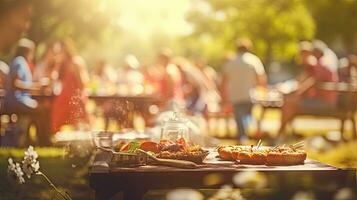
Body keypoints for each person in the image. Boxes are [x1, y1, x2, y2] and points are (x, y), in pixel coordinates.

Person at [278, 41, 339, 137]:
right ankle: (286, 132)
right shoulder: (319, 64)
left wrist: (297, 92)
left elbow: (311, 82)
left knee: (289, 102)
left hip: (324, 102)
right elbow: (305, 80)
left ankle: (281, 133)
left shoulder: (318, 64)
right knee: (290, 101)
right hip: (322, 99)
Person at [4, 39, 51, 145]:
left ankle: (30, 139)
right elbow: (15, 84)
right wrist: (38, 86)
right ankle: (43, 142)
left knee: (38, 109)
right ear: (27, 51)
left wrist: (38, 86)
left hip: (18, 100)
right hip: (16, 101)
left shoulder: (18, 61)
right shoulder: (20, 61)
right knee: (42, 110)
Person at [221, 38, 267, 141]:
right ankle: (247, 135)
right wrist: (263, 90)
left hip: (235, 95)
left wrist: (224, 96)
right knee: (248, 114)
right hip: (250, 94)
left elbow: (224, 81)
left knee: (239, 117)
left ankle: (242, 137)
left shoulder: (231, 62)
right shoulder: (254, 60)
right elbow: (261, 77)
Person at [50, 40, 89, 133]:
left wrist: (79, 97)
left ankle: (80, 139)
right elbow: (54, 80)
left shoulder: (75, 62)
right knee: (54, 109)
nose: (58, 54)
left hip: (74, 96)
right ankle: (54, 136)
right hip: (65, 96)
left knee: (75, 117)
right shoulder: (63, 64)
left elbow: (82, 82)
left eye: (60, 51)